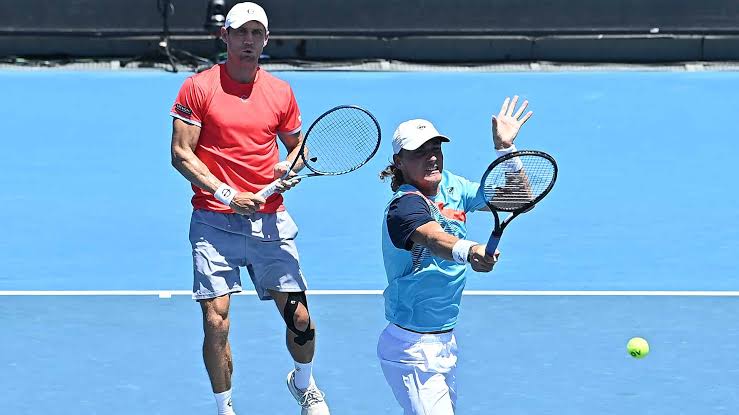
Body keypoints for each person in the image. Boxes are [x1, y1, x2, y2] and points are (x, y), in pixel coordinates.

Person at [169, 2, 330, 414]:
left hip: (270, 219)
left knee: (300, 320)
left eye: (256, 33)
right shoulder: (198, 87)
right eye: (240, 33)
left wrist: (290, 167)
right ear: (225, 37)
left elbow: (298, 149)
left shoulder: (280, 92)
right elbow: (181, 154)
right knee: (215, 320)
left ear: (265, 40)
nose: (248, 41)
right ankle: (225, 407)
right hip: (213, 220)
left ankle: (304, 385)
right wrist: (228, 195)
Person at [377, 96, 533, 414]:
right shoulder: (404, 205)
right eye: (419, 152)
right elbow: (433, 238)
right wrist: (470, 251)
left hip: (445, 341)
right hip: (412, 347)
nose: (431, 157)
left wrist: (507, 150)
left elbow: (520, 197)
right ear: (399, 162)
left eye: (435, 148)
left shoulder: (453, 186)